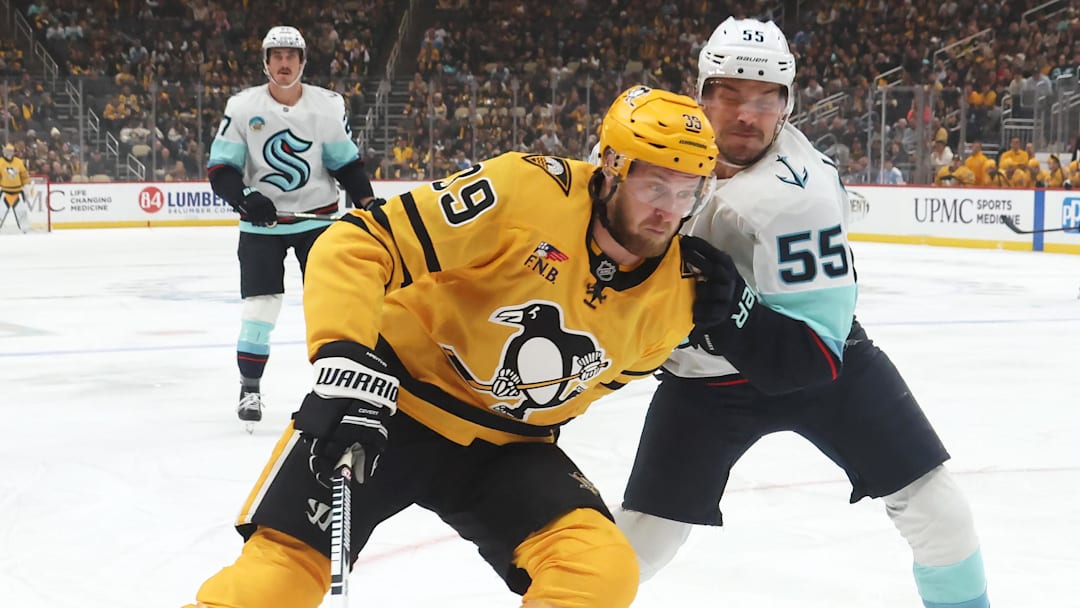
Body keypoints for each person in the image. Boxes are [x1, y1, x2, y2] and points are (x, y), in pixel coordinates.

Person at [184, 85, 721, 608]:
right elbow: (356, 242)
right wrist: (344, 363)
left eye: (687, 192)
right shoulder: (526, 191)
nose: (668, 212)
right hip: (388, 406)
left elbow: (596, 382)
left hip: (508, 448)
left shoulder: (678, 296)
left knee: (600, 569)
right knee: (275, 580)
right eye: (655, 186)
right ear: (611, 167)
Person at [613, 17, 991, 608]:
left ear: (786, 106)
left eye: (765, 99)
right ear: (701, 94)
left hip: (822, 360)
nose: (746, 114)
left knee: (937, 511)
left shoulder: (799, 196)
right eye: (730, 95)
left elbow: (810, 360)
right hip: (702, 379)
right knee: (639, 545)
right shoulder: (646, 149)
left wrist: (736, 310)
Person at [207, 25, 377, 430]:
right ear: (266, 63)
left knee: (334, 307)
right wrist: (247, 197)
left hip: (316, 222)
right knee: (261, 307)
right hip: (261, 225)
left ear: (302, 62)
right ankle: (250, 387)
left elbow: (346, 164)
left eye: (291, 56)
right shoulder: (244, 107)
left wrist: (368, 202)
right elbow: (221, 170)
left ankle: (341, 390)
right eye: (276, 56)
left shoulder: (327, 106)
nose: (284, 63)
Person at [0, 143, 31, 233]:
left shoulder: (18, 162)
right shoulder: (0, 162)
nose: (8, 153)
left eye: (10, 151)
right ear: (3, 151)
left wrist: (26, 186)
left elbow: (24, 175)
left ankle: (25, 228)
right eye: (7, 151)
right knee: (0, 211)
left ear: (13, 152)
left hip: (18, 191)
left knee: (21, 212)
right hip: (5, 191)